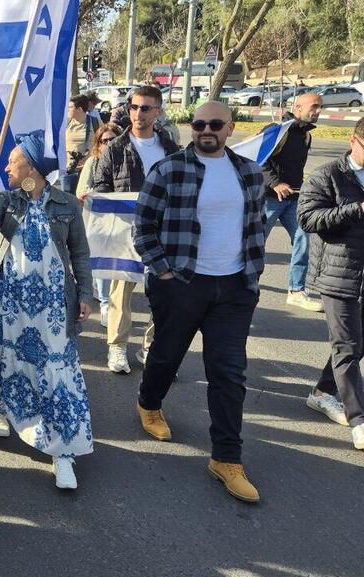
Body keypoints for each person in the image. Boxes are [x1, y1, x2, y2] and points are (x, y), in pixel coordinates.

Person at [134, 101, 266, 503]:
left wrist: (252, 275)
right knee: (167, 354)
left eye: (215, 124)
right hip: (182, 283)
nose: (206, 130)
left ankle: (226, 458)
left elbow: (255, 226)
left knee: (228, 373)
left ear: (230, 128)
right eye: (198, 124)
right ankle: (149, 403)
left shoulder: (249, 173)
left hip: (234, 289)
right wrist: (164, 272)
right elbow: (143, 227)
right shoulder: (170, 169)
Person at [0, 130, 94, 489]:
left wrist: (86, 294)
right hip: (7, 297)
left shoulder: (67, 205)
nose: (7, 165)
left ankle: (63, 452)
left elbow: (81, 254)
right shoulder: (10, 200)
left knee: (55, 370)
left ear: (33, 166)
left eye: (13, 160)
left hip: (52, 306)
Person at [91, 85, 181, 374]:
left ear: (158, 111)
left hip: (163, 232)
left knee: (164, 292)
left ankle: (151, 347)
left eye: (145, 108)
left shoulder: (170, 148)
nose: (138, 113)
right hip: (125, 233)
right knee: (121, 293)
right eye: (133, 107)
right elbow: (101, 186)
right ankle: (117, 347)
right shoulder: (116, 147)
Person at [297, 117, 364, 449]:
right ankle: (359, 419)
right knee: (347, 347)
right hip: (338, 275)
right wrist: (355, 210)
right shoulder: (328, 175)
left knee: (356, 344)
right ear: (353, 140)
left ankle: (323, 392)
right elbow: (307, 219)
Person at [261, 92, 324, 312]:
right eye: (314, 106)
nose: (317, 111)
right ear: (297, 107)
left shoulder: (306, 136)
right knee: (255, 245)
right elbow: (257, 160)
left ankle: (296, 291)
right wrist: (275, 183)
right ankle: (244, 285)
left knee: (304, 240)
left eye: (320, 107)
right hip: (268, 200)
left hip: (294, 199)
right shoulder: (277, 131)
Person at [76, 122, 124, 327]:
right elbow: (80, 192)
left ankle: (115, 304)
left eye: (113, 139)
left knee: (120, 264)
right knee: (103, 262)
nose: (109, 143)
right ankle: (105, 303)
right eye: (105, 141)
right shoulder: (92, 163)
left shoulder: (126, 160)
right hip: (99, 221)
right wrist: (87, 196)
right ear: (98, 144)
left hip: (123, 221)